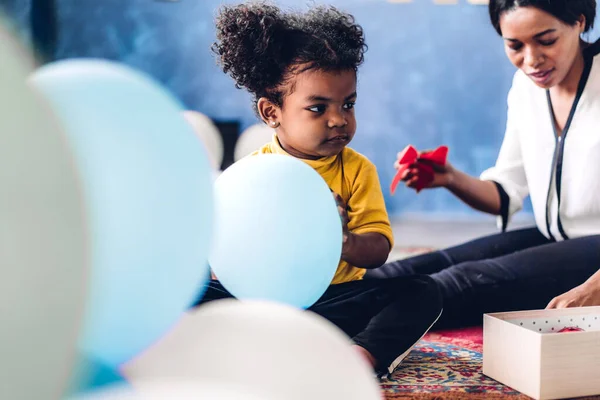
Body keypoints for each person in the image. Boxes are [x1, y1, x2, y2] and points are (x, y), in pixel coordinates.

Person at [194, 2, 442, 377]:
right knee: (188, 287)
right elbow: (224, 248)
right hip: (257, 302)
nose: (339, 119)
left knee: (424, 291)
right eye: (318, 107)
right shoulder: (250, 174)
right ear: (271, 112)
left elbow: (378, 249)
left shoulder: (358, 170)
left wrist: (342, 240)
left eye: (348, 104)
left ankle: (362, 356)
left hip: (332, 304)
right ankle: (235, 341)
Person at [366, 0, 600, 328]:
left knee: (459, 282)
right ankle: (303, 307)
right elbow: (506, 193)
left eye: (546, 40)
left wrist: (594, 288)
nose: (531, 60)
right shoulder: (526, 88)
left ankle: (331, 323)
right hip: (556, 238)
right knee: (416, 267)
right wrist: (449, 178)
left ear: (579, 21)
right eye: (515, 45)